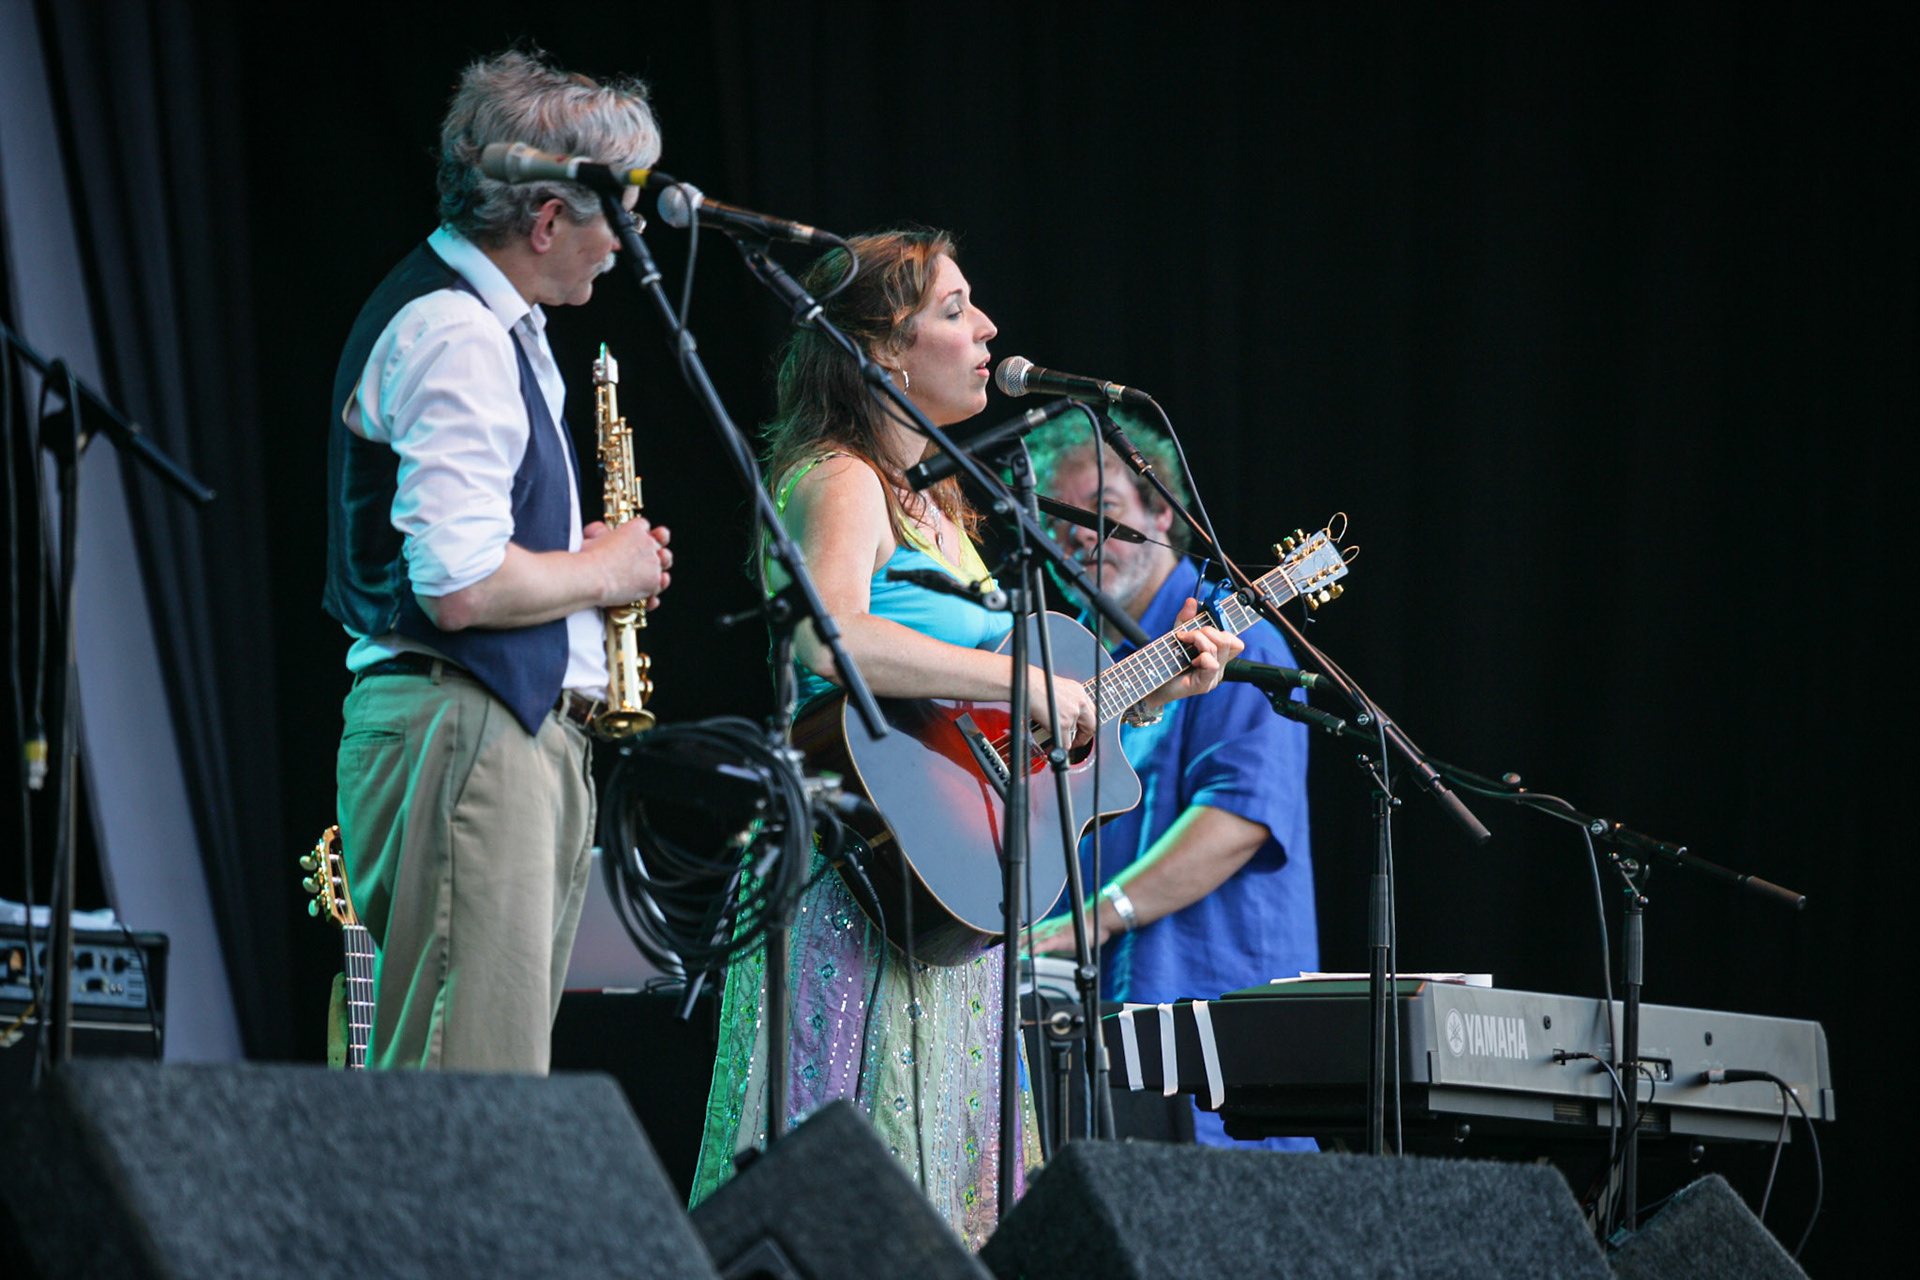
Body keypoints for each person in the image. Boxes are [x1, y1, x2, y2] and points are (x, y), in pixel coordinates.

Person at [690, 229, 1243, 1246]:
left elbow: (1000, 729)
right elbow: (829, 631)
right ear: (882, 351)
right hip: (859, 869)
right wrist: (1020, 677)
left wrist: (1152, 690)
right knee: (843, 1168)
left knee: (952, 1186)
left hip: (957, 881)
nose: (987, 328)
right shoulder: (838, 474)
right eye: (954, 309)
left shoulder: (944, 500)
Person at [324, 50, 671, 1074]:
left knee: (489, 1076)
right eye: (620, 212)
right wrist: (605, 573)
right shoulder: (456, 334)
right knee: (466, 1087)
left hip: (495, 729)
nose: (630, 243)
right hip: (465, 727)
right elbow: (461, 584)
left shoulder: (496, 330)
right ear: (547, 218)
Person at [1025, 413, 1318, 1151]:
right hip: (1124, 1035)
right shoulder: (1097, 668)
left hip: (1218, 1031)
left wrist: (1082, 927)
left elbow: (1237, 823)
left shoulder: (1238, 641)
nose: (1078, 538)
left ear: (1163, 513)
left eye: (1103, 514)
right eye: (1056, 526)